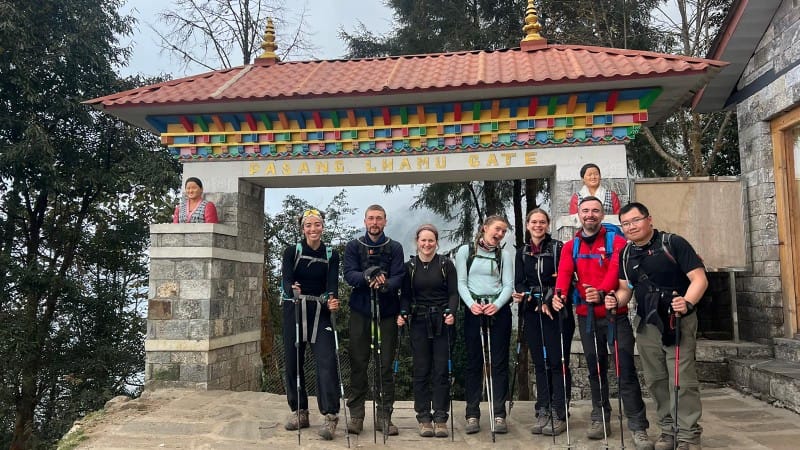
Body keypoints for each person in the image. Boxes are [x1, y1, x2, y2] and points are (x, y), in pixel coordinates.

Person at [552, 196, 654, 450]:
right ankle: (600, 415)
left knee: (625, 369)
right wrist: (559, 295)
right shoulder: (571, 247)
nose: (590, 215)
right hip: (586, 317)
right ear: (578, 213)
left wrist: (600, 292)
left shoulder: (616, 241)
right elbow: (565, 273)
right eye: (585, 210)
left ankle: (638, 426)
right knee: (595, 369)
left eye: (595, 210)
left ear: (602, 214)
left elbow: (615, 274)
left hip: (614, 315)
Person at [612, 202, 708, 450]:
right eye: (625, 223)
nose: (631, 227)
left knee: (681, 379)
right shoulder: (626, 254)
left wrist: (686, 302)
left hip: (677, 319)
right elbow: (625, 289)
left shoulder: (673, 243)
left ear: (649, 219)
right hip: (646, 322)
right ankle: (668, 430)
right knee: (656, 379)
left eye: (635, 220)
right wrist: (614, 300)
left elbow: (699, 279)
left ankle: (687, 434)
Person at [343, 205, 405, 436]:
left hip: (387, 312)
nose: (375, 222)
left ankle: (384, 416)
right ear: (365, 221)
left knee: (385, 365)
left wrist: (384, 282)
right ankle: (357, 415)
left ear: (385, 221)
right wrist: (367, 276)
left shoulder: (395, 247)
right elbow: (349, 274)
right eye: (371, 218)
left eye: (379, 218)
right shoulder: (354, 246)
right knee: (358, 363)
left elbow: (400, 276)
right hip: (360, 311)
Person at [512, 209, 574, 436]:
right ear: (527, 225)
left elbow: (566, 279)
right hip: (532, 311)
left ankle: (560, 411)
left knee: (558, 362)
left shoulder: (559, 248)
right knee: (539, 362)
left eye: (542, 222)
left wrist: (548, 299)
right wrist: (526, 296)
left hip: (557, 311)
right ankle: (543, 409)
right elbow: (519, 283)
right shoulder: (522, 252)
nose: (538, 225)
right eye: (534, 222)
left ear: (548, 225)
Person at [280, 209, 341, 440]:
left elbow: (332, 283)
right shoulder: (291, 251)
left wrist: (332, 299)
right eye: (308, 225)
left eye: (317, 224)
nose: (313, 229)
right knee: (293, 363)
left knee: (326, 361)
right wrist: (291, 291)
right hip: (294, 309)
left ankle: (331, 415)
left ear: (323, 226)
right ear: (302, 228)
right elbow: (286, 279)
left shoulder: (331, 253)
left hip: (320, 311)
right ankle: (299, 411)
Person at [397, 224, 458, 438]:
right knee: (421, 371)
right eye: (423, 240)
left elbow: (453, 293)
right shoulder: (409, 267)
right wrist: (403, 312)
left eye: (431, 240)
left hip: (442, 320)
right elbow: (405, 295)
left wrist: (451, 312)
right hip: (419, 322)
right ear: (417, 242)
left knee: (441, 371)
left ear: (436, 242)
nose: (427, 244)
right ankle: (423, 417)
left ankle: (441, 417)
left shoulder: (445, 264)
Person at [455, 215, 514, 435]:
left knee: (499, 363)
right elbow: (461, 282)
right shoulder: (465, 251)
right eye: (497, 229)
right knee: (474, 363)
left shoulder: (504, 255)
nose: (499, 234)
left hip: (498, 312)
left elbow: (508, 284)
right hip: (473, 311)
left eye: (503, 231)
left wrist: (497, 305)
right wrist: (471, 304)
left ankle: (499, 414)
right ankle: (472, 414)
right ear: (485, 228)